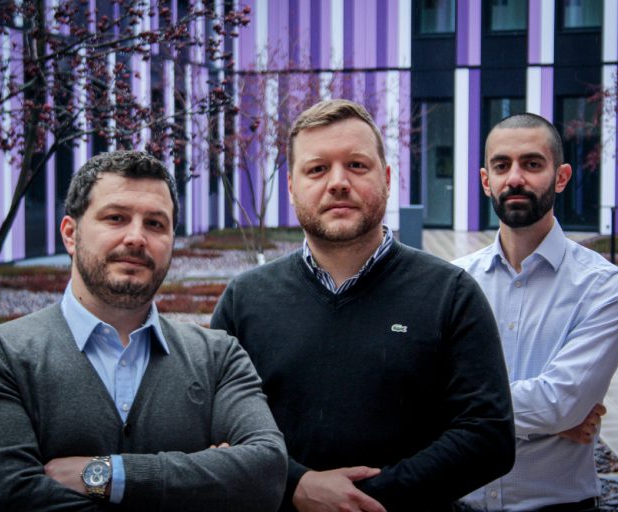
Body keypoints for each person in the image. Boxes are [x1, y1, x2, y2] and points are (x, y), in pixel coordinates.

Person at [211, 99, 515, 512]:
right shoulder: (244, 300)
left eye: (356, 165)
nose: (338, 182)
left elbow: (488, 436)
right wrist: (296, 486)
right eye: (317, 169)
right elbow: (216, 428)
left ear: (386, 179)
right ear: (292, 187)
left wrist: (365, 501)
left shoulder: (451, 294)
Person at [0, 150, 287, 512]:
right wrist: (203, 483)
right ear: (71, 234)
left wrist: (108, 475)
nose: (136, 237)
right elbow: (7, 500)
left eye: (155, 224)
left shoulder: (218, 357)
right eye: (116, 218)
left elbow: (265, 475)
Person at [453, 113, 618, 511]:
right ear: (486, 181)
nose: (515, 178)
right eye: (502, 165)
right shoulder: (454, 282)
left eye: (532, 164)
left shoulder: (603, 287)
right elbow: (413, 392)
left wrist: (454, 409)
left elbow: (560, 403)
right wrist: (545, 420)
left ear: (561, 177)